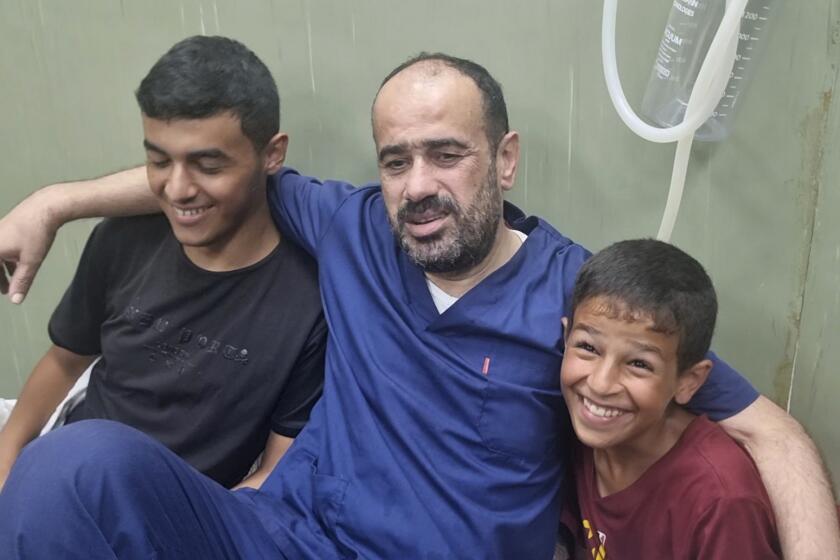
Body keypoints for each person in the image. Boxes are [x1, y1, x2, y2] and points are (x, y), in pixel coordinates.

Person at [0, 51, 836, 559]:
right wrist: (53, 203)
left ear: (505, 160)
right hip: (284, 541)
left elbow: (774, 433)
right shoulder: (354, 226)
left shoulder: (586, 306)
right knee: (72, 466)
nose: (418, 186)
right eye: (396, 160)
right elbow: (212, 174)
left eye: (447, 154)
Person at [0, 36, 327, 490]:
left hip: (170, 514)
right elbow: (63, 362)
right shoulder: (123, 238)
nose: (177, 190)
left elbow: (276, 470)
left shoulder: (309, 301)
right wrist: (7, 457)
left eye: (208, 165)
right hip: (61, 468)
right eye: (158, 161)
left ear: (272, 154)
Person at [561, 239, 781, 559]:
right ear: (565, 338)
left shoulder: (719, 499)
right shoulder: (574, 432)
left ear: (688, 382)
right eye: (588, 348)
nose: (601, 383)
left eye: (639, 364)